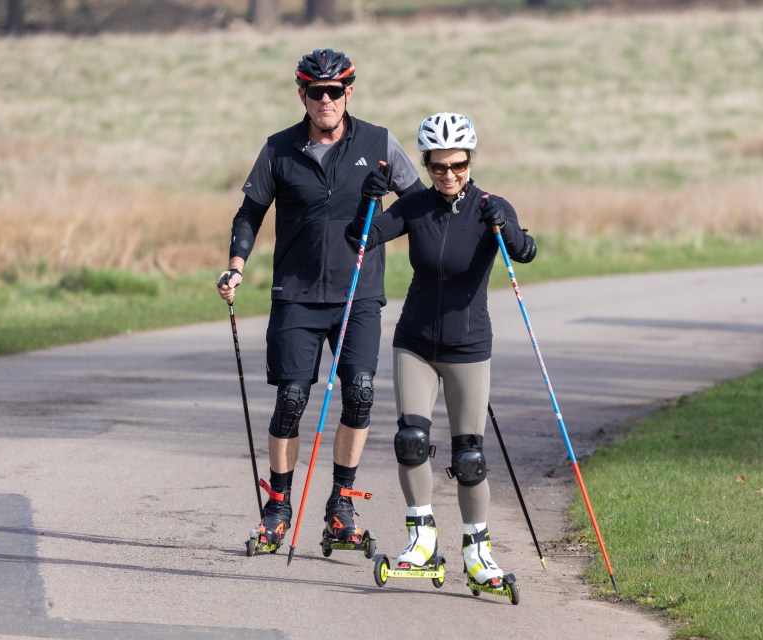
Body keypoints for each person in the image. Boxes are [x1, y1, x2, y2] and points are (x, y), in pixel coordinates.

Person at [216, 48, 424, 550]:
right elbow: (250, 213)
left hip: (358, 294)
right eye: (316, 92)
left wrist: (377, 227)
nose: (326, 100)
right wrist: (236, 267)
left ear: (349, 92)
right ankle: (278, 507)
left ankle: (341, 505)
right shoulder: (279, 149)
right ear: (302, 94)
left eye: (335, 91)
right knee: (291, 400)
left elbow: (418, 203)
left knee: (360, 392)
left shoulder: (378, 142)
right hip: (297, 295)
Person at [345, 112, 537, 587]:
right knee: (410, 440)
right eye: (437, 166)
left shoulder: (491, 206)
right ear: (427, 165)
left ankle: (477, 552)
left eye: (458, 165)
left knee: (469, 455)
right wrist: (366, 199)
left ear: (470, 160)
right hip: (415, 342)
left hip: (469, 347)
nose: (448, 175)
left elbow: (527, 251)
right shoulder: (415, 207)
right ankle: (423, 539)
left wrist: (505, 229)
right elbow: (361, 238)